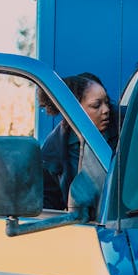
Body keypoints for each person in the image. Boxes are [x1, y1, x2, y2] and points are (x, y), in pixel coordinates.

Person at [42, 72, 115, 209]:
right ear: (74, 110)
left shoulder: (127, 124)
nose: (106, 110)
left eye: (107, 102)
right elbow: (48, 205)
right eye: (96, 105)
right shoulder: (52, 150)